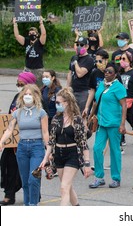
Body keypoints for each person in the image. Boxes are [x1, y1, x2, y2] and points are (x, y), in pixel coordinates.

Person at [41, 88, 92, 205]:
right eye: (56, 103)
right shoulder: (55, 119)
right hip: (58, 154)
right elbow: (51, 142)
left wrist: (87, 163)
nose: (57, 105)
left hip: (72, 154)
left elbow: (83, 143)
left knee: (64, 188)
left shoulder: (76, 120)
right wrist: (45, 159)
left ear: (67, 103)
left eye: (59, 103)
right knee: (67, 187)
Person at [0, 84, 49, 206]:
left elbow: (45, 132)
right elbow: (9, 129)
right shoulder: (17, 113)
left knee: (34, 179)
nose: (27, 97)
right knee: (25, 180)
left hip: (37, 147)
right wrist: (1, 141)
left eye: (30, 94)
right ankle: (27, 204)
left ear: (35, 96)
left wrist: (49, 150)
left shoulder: (41, 113)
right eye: (25, 94)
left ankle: (33, 203)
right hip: (22, 147)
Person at [0, 71, 36, 206]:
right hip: (13, 140)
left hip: (27, 139)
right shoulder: (16, 96)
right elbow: (11, 115)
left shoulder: (34, 99)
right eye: (17, 84)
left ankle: (33, 195)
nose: (19, 87)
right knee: (8, 166)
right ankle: (9, 195)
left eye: (21, 84)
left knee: (29, 170)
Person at [89, 62, 127, 189]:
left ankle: (116, 178)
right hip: (101, 123)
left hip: (114, 124)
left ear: (115, 74)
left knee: (114, 150)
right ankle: (99, 177)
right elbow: (96, 102)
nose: (107, 73)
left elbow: (124, 105)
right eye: (105, 71)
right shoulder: (101, 85)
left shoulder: (118, 87)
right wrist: (90, 116)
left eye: (110, 72)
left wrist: (122, 123)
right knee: (96, 148)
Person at [13, 16, 46, 87]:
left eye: (33, 33)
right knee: (25, 87)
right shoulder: (26, 41)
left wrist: (41, 23)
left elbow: (43, 34)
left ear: (37, 34)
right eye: (30, 33)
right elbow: (17, 36)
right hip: (28, 68)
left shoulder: (40, 42)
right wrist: (15, 24)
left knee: (38, 88)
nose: (31, 34)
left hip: (38, 69)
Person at [67, 36, 95, 113]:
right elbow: (70, 73)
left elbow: (80, 74)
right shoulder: (74, 57)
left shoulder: (89, 60)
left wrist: (76, 63)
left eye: (81, 45)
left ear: (87, 46)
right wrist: (68, 87)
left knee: (81, 114)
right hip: (73, 90)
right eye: (78, 45)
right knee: (71, 113)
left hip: (83, 92)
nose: (79, 47)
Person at [119, 51, 133, 145]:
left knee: (132, 120)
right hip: (122, 100)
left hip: (132, 100)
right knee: (121, 119)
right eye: (120, 59)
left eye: (124, 59)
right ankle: (121, 138)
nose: (121, 61)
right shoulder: (119, 73)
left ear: (129, 60)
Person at [83, 49, 110, 118]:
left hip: (108, 105)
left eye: (100, 61)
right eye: (96, 61)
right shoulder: (95, 73)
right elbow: (92, 91)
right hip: (97, 104)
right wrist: (87, 107)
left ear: (106, 60)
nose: (98, 63)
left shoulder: (112, 73)